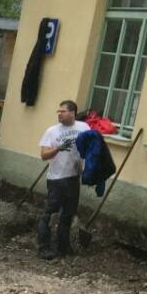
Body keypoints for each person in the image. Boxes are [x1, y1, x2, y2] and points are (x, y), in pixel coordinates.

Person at [37, 99, 83, 259]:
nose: (59, 115)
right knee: (50, 213)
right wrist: (58, 148)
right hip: (56, 179)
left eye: (62, 112)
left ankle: (63, 246)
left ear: (72, 113)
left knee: (68, 214)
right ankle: (43, 247)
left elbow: (91, 145)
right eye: (58, 112)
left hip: (73, 178)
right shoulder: (52, 131)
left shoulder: (83, 127)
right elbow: (43, 155)